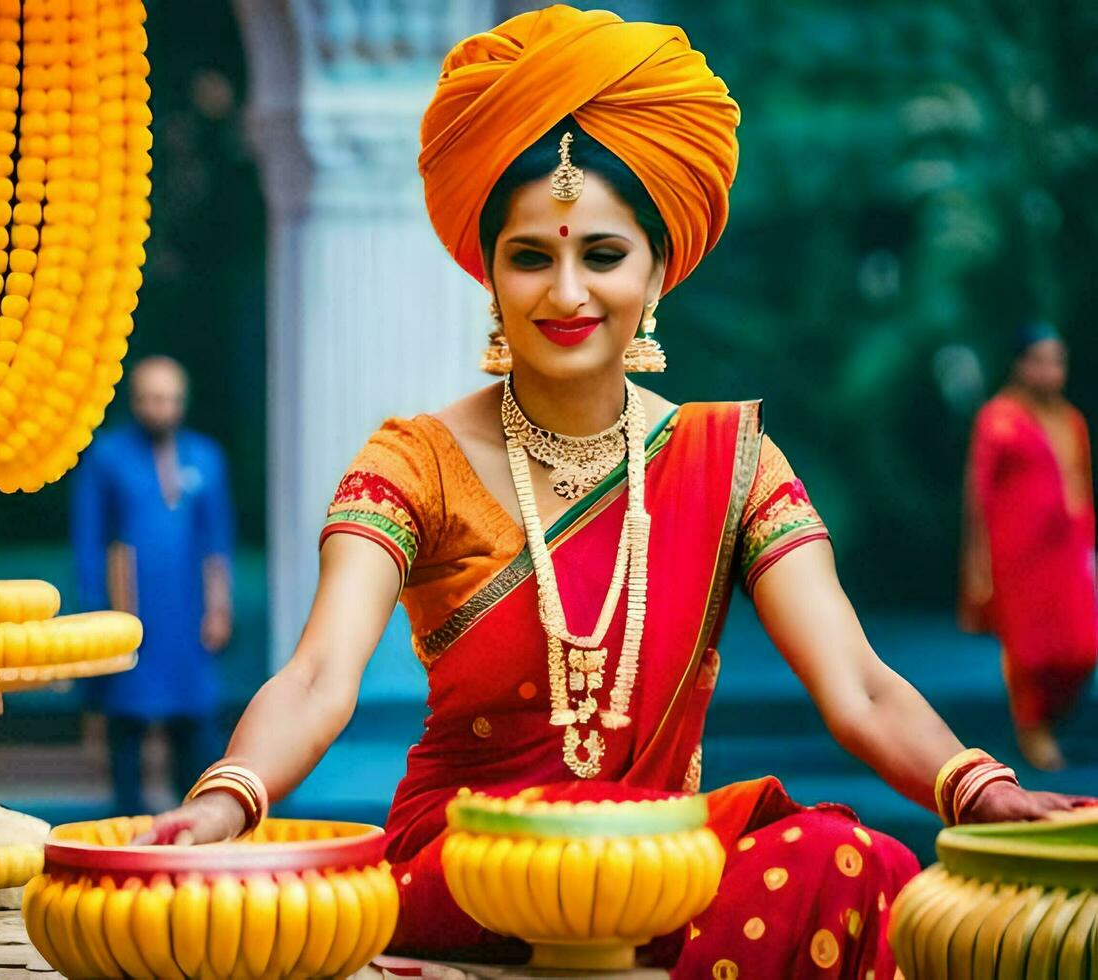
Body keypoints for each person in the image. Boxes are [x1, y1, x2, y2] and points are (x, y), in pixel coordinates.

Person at [140, 8, 1090, 976]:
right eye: (530, 256)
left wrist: (977, 787)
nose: (565, 293)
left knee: (852, 864)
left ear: (658, 268)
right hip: (475, 860)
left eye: (601, 255)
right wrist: (227, 795)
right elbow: (316, 676)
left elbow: (860, 684)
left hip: (661, 860)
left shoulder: (734, 460)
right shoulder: (415, 459)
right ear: (490, 271)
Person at [71, 355, 235, 814]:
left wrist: (220, 608)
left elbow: (216, 539)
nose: (158, 408)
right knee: (126, 726)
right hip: (130, 615)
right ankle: (126, 831)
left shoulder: (205, 457)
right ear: (135, 400)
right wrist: (96, 614)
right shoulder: (107, 457)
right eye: (149, 398)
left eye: (167, 399)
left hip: (188, 616)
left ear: (181, 402)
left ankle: (196, 827)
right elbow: (89, 541)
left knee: (195, 727)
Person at [960, 323, 1096, 771]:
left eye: (1057, 360)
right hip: (1018, 558)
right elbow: (978, 492)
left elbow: (1080, 486)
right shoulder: (999, 418)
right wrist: (978, 560)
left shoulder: (1071, 420)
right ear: (1020, 365)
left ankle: (1050, 717)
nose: (1050, 370)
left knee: (1083, 647)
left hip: (1067, 554)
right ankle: (1032, 729)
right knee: (1029, 652)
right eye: (1040, 360)